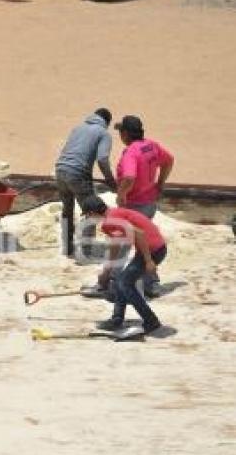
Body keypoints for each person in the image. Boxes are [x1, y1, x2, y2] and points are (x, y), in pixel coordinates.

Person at [80, 195, 166, 334]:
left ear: (92, 213)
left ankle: (151, 320)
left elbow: (139, 233)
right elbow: (115, 246)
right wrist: (106, 272)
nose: (88, 219)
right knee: (121, 281)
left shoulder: (110, 220)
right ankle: (117, 319)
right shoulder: (113, 215)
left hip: (153, 250)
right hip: (154, 248)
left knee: (124, 283)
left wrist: (149, 260)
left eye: (87, 216)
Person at [114, 115, 174, 296]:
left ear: (125, 134)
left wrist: (121, 194)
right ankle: (150, 283)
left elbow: (130, 177)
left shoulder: (131, 152)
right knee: (144, 243)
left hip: (134, 205)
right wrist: (160, 183)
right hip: (149, 202)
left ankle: (114, 282)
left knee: (124, 244)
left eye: (120, 132)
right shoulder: (151, 145)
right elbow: (169, 160)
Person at [54, 108, 118, 257]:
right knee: (92, 210)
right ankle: (85, 250)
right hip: (78, 173)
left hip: (60, 169)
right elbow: (102, 159)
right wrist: (110, 180)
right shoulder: (103, 133)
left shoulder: (77, 128)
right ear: (107, 122)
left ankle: (67, 247)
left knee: (67, 209)